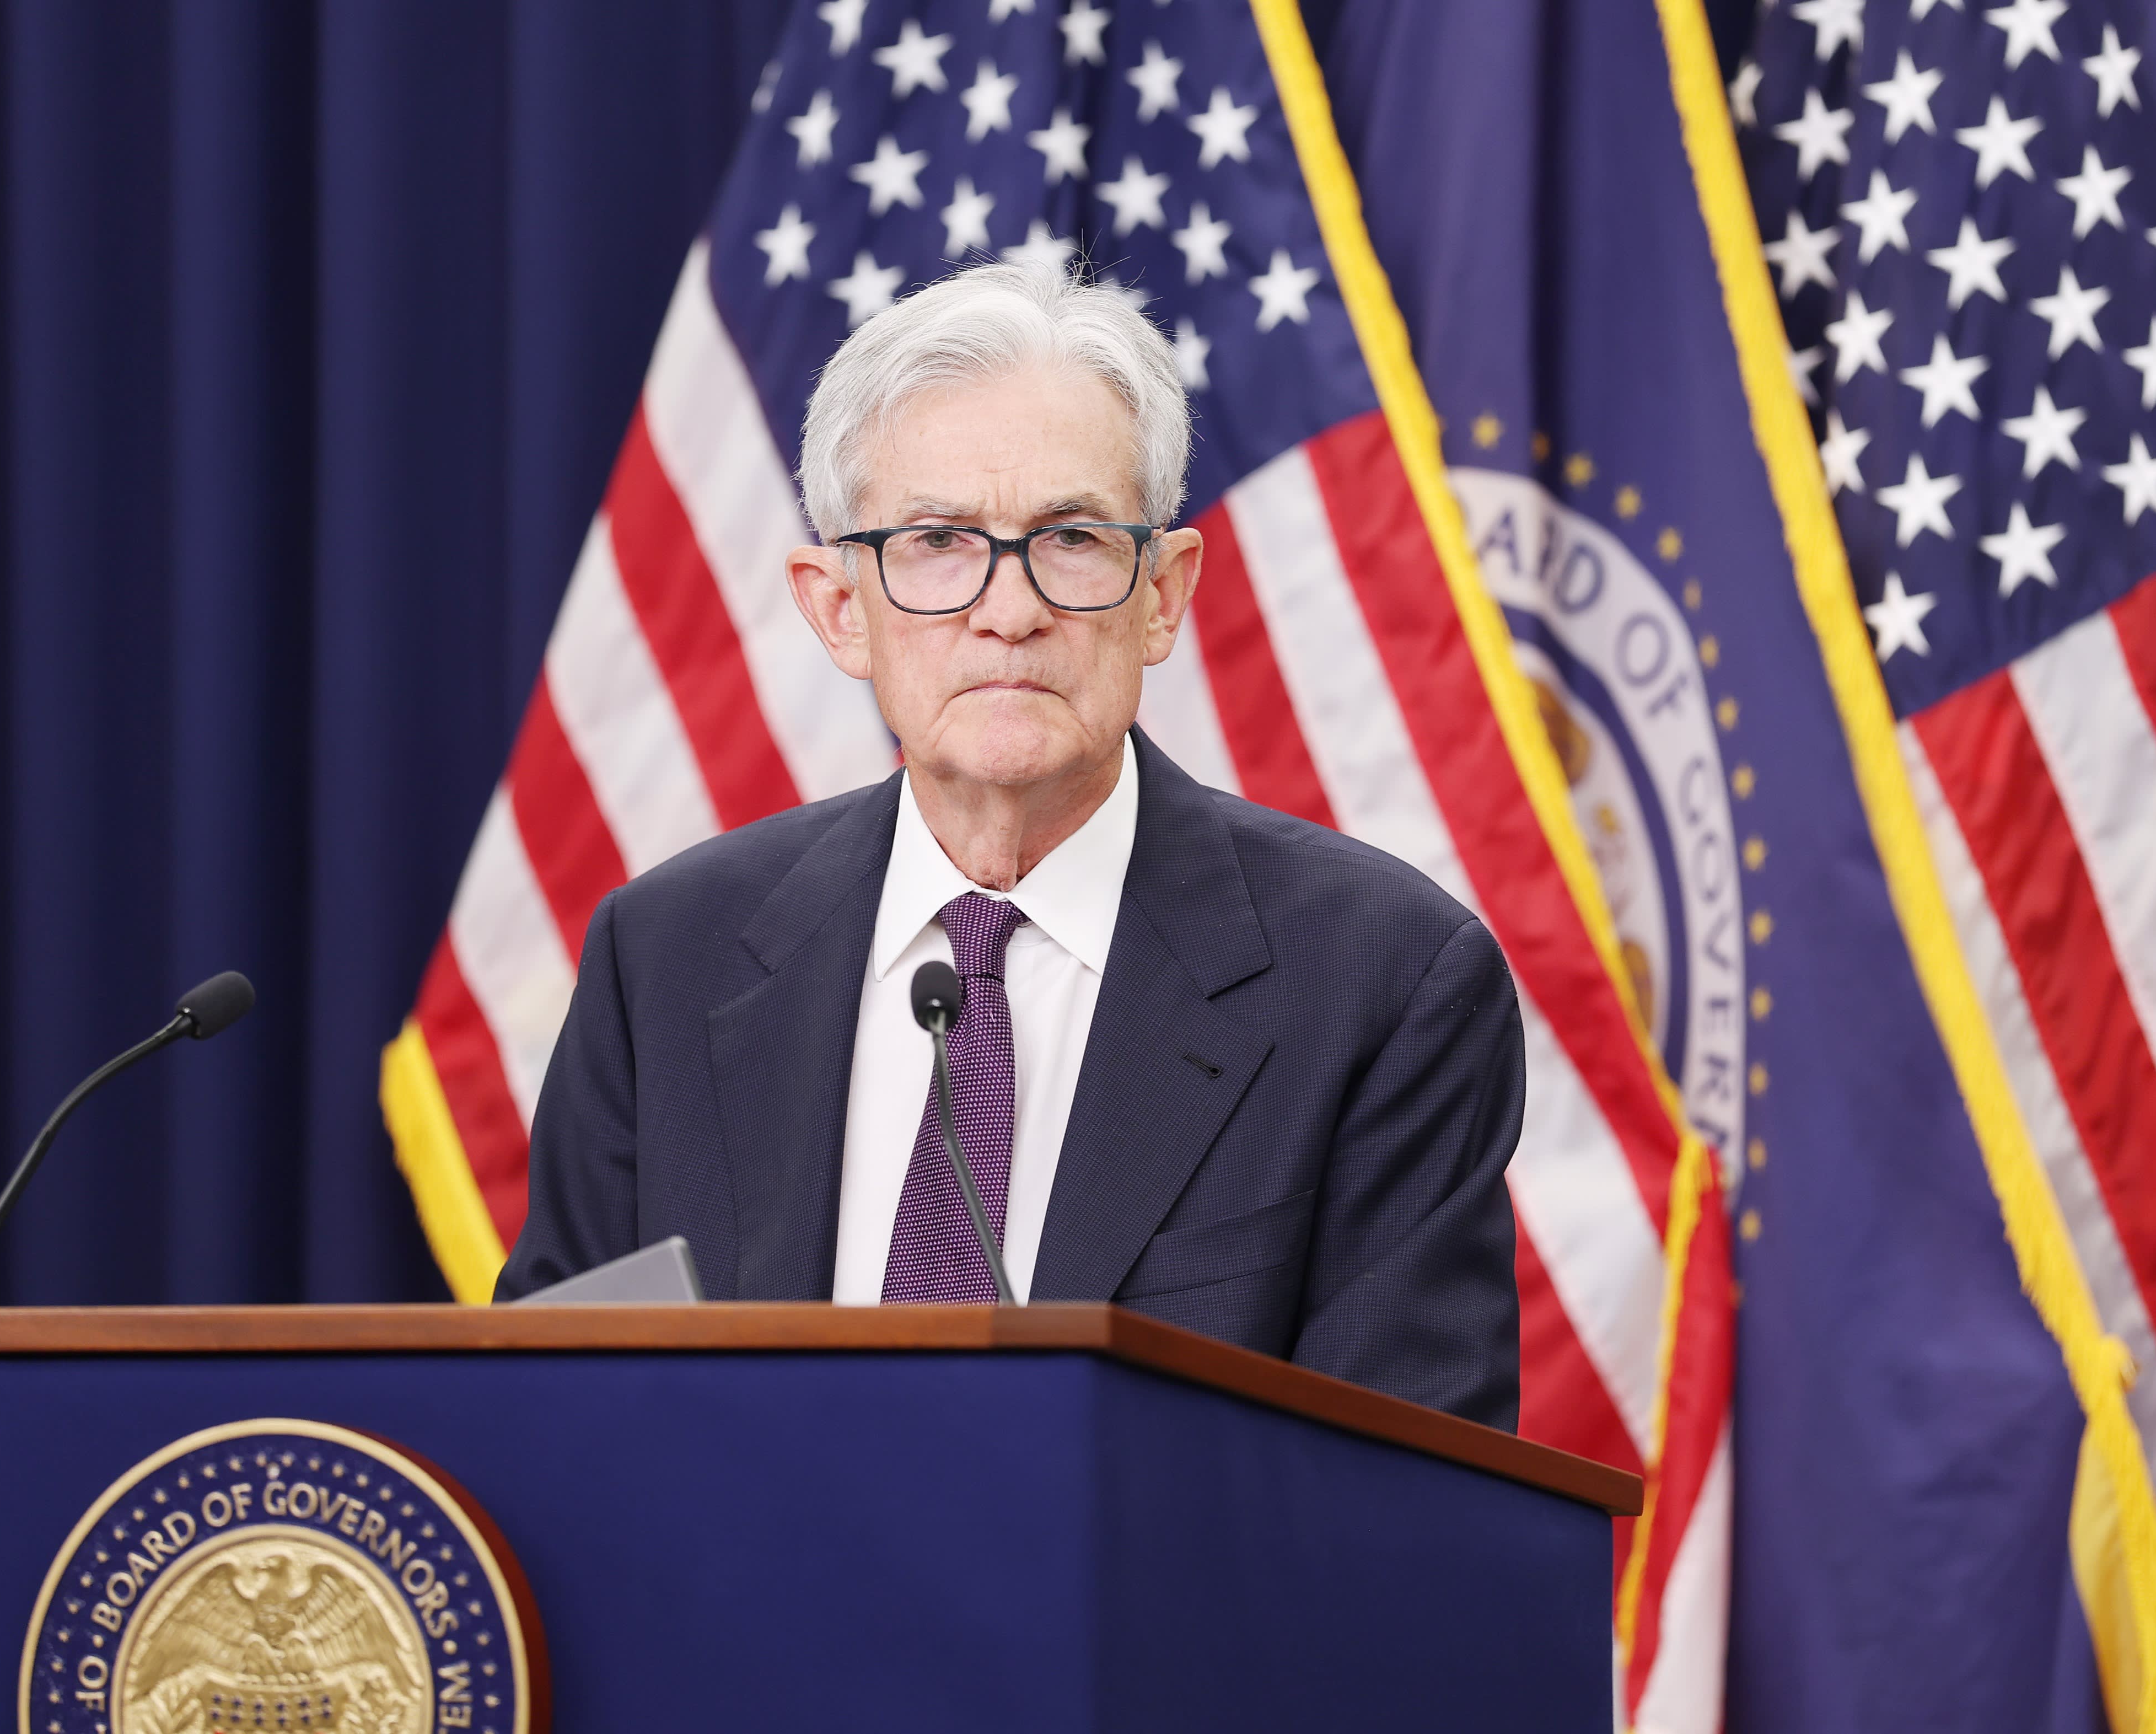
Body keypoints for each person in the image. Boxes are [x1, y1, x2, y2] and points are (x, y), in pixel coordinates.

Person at [494, 261, 1523, 1428]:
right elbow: (553, 1424)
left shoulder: (1383, 983)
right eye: (938, 540)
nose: (1009, 609)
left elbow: (1402, 1494)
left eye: (1071, 537)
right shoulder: (666, 959)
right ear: (840, 609)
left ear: (1162, 594)